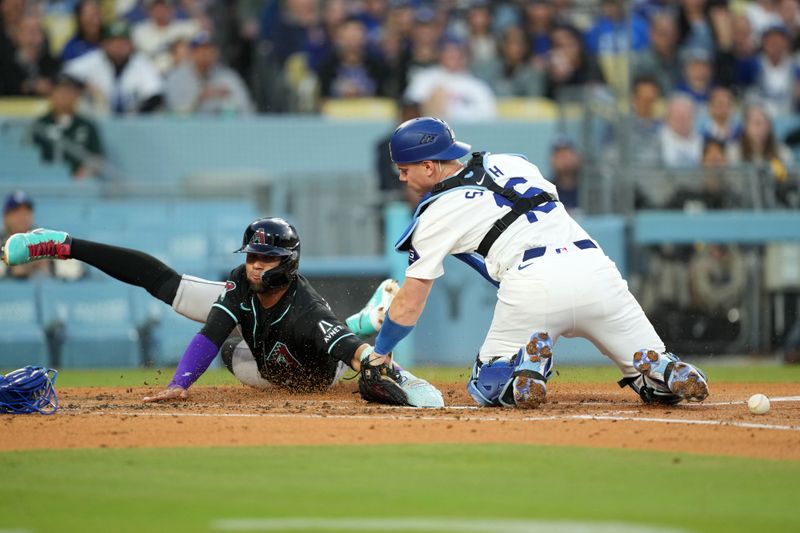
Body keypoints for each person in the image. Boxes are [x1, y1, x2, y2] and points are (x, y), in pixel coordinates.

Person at [367, 116, 709, 409]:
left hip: (533, 283)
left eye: (404, 169)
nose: (401, 178)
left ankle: (524, 369)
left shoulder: (435, 213)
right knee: (647, 384)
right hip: (597, 270)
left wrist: (380, 353)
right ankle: (662, 369)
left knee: (485, 383)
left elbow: (411, 302)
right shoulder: (516, 162)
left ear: (428, 167)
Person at [1, 217, 443, 407]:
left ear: (287, 263)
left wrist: (373, 361)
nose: (255, 264)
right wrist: (180, 384)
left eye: (265, 259)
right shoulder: (241, 280)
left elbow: (345, 348)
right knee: (165, 284)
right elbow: (210, 335)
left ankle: (366, 321)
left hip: (302, 371)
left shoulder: (309, 309)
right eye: (252, 256)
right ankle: (61, 243)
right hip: (259, 341)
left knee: (250, 349)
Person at [63, 21, 163, 115]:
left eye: (123, 42)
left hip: (133, 124)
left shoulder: (141, 63)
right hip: (95, 121)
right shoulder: (93, 60)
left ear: (131, 45)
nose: (118, 46)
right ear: (104, 44)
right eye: (114, 41)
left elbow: (155, 94)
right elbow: (64, 74)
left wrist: (137, 112)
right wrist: (83, 85)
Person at [31, 73, 105, 178]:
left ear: (77, 95)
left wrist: (82, 175)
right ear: (51, 94)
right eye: (59, 91)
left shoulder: (87, 126)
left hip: (78, 186)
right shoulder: (40, 124)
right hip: (44, 182)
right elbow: (27, 155)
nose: (64, 96)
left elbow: (97, 157)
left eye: (69, 91)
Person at [164, 32, 254, 115]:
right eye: (202, 49)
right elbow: (175, 111)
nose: (206, 54)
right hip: (185, 130)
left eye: (210, 49)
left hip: (221, 129)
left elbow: (247, 109)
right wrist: (200, 98)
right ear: (192, 53)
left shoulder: (228, 76)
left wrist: (228, 103)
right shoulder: (177, 76)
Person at [0, 191, 83, 280]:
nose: (22, 216)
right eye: (16, 211)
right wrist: (11, 269)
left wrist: (50, 265)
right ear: (6, 216)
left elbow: (77, 269)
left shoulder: (44, 239)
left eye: (27, 211)